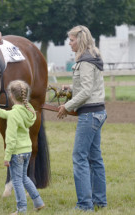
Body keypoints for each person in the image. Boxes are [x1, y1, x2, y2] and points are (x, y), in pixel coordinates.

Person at [57, 25, 107, 211]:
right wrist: (70, 89)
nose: (69, 43)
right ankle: (100, 202)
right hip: (99, 112)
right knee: (95, 159)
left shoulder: (85, 61)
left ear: (80, 39)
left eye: (71, 40)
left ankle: (85, 205)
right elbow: (88, 86)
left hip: (89, 115)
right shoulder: (93, 56)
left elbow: (86, 91)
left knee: (79, 158)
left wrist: (66, 106)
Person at [0, 80, 45, 215]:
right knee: (24, 178)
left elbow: (11, 139)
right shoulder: (27, 110)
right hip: (27, 151)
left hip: (17, 153)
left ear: (11, 96)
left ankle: (21, 209)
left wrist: (7, 157)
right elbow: (3, 113)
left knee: (17, 181)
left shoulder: (14, 114)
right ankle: (38, 202)